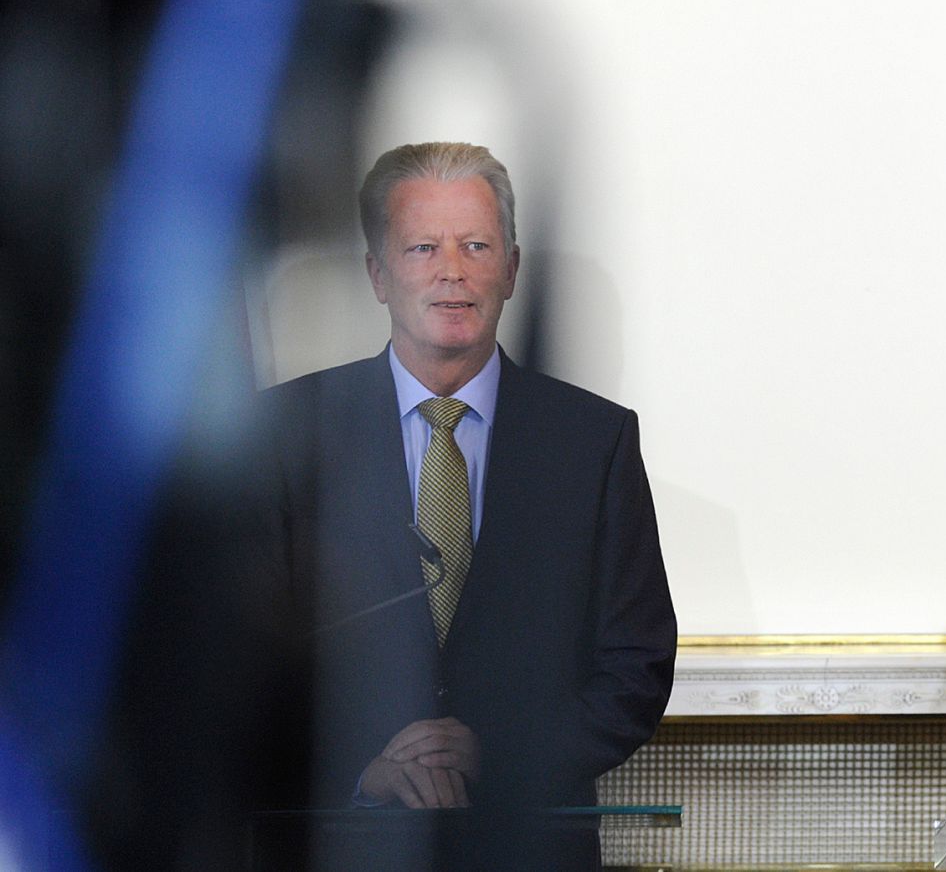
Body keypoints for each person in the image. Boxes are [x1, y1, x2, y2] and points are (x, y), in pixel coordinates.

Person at [257, 142, 675, 837]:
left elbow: (634, 669)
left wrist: (497, 754)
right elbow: (240, 671)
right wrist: (363, 769)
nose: (452, 271)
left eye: (476, 245)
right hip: (343, 841)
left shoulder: (592, 442)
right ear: (377, 273)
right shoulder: (290, 436)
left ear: (510, 270)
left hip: (525, 840)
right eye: (422, 248)